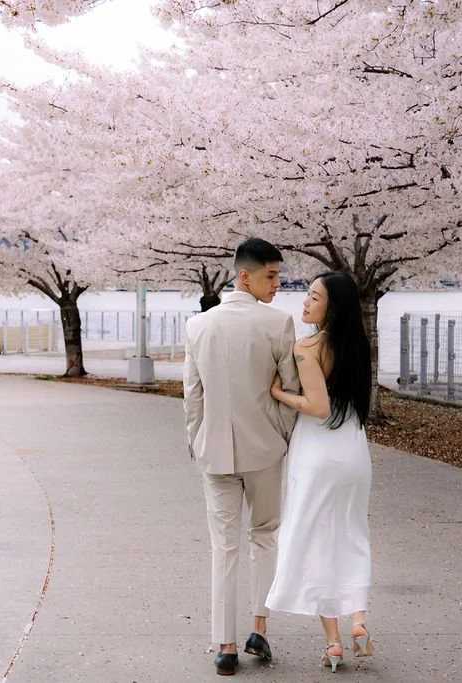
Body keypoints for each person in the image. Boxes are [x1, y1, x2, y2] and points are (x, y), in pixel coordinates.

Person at [183, 237, 300, 676]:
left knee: (224, 547)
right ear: (244, 275)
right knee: (265, 534)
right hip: (265, 448)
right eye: (271, 276)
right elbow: (290, 390)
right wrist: (283, 436)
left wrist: (197, 441)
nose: (277, 285)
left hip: (214, 451)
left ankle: (225, 646)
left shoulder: (199, 326)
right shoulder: (277, 324)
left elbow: (192, 396)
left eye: (279, 276)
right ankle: (259, 626)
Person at [265, 271, 375, 672]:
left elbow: (317, 407)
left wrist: (280, 393)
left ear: (332, 306)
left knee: (312, 537)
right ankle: (359, 621)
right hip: (353, 451)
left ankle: (333, 642)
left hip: (317, 454)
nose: (305, 303)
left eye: (314, 297)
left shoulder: (307, 346)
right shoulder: (357, 346)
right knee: (351, 533)